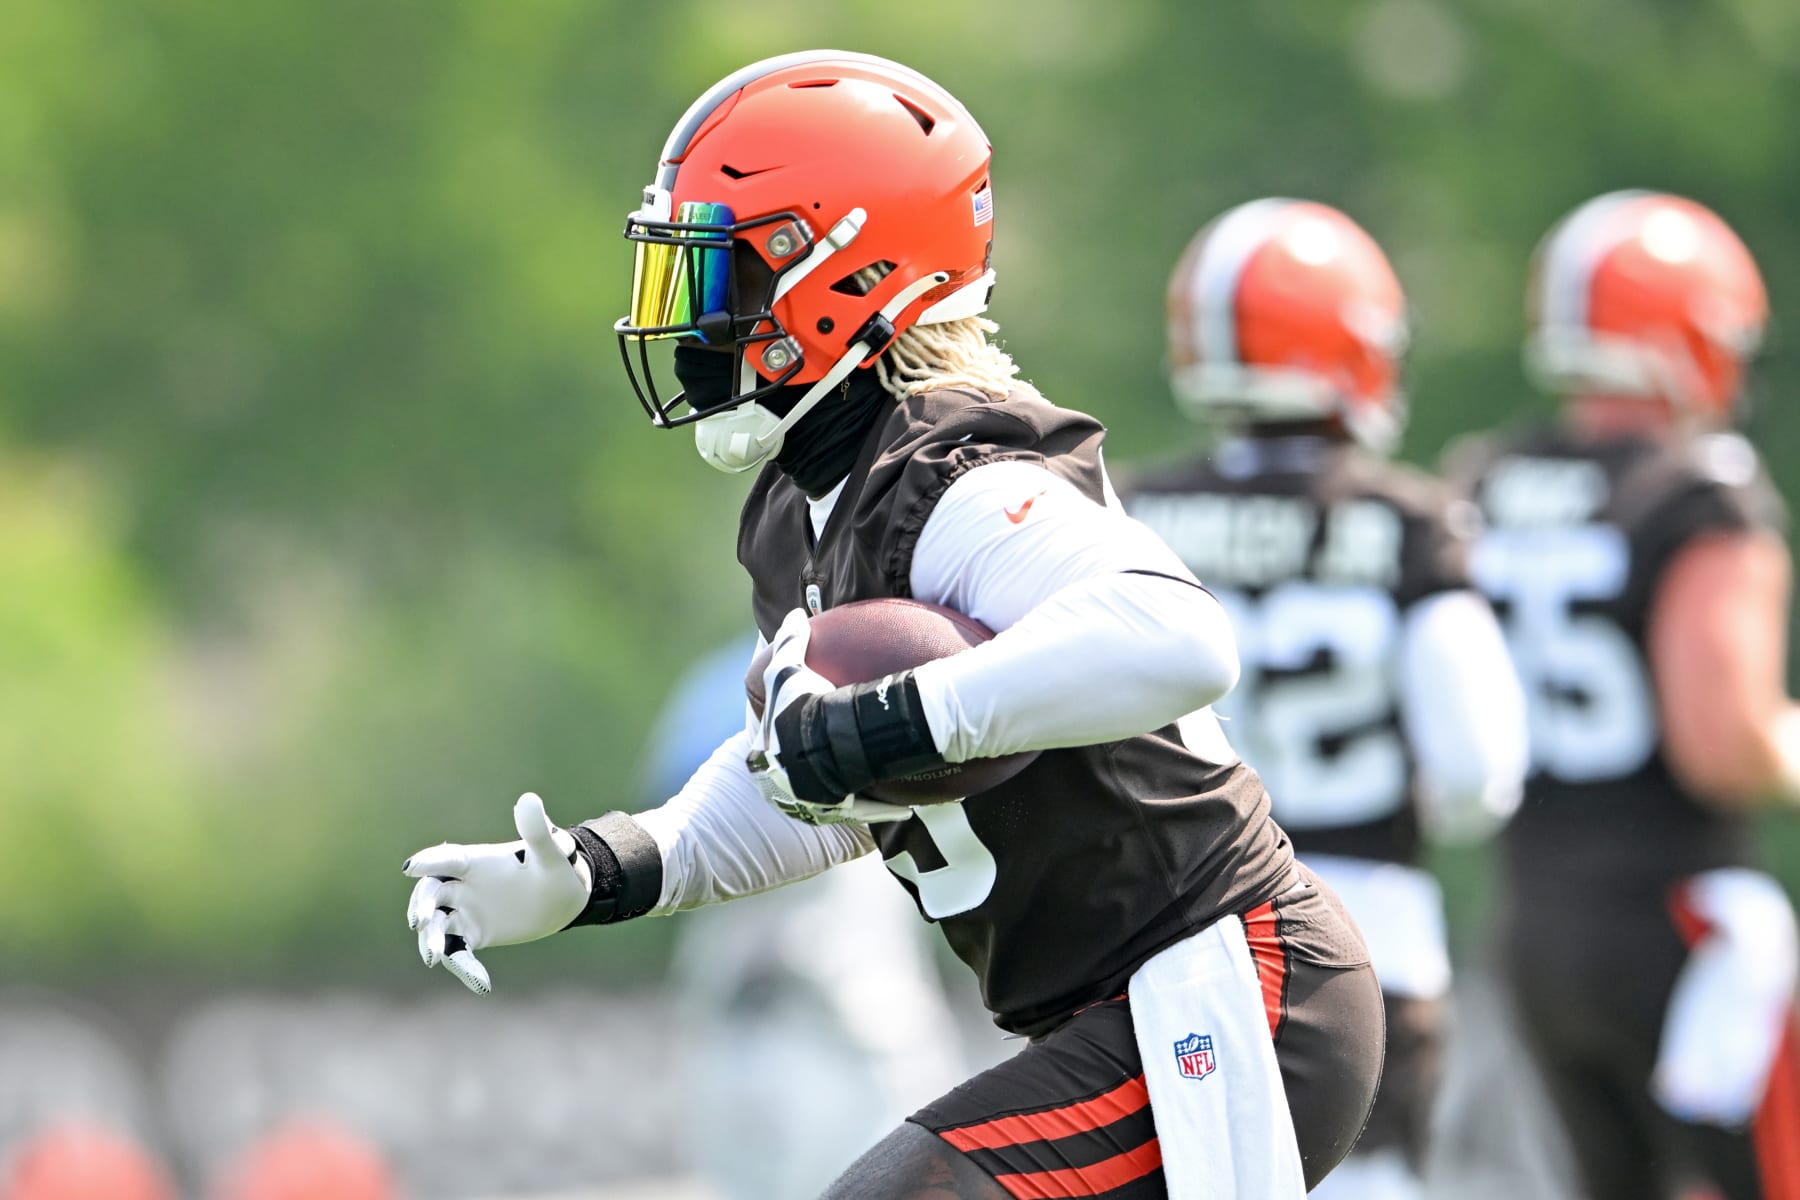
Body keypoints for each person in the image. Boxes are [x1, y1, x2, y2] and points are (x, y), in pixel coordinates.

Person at [401, 51, 1384, 1198]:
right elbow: (810, 786)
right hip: (1122, 1006)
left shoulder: (952, 477)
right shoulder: (800, 506)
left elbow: (1177, 636)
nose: (690, 321)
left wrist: (909, 718)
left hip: (1224, 983)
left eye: (724, 278)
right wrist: (605, 872)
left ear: (845, 275)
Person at [1122, 199, 1528, 1199]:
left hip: (1169, 944)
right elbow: (1482, 770)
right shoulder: (1409, 519)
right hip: (1366, 937)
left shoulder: (1125, 511)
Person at [1444, 190, 1800, 1200]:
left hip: (1534, 922)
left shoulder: (1485, 478)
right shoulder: (1697, 489)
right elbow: (1722, 740)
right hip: (1679, 921)